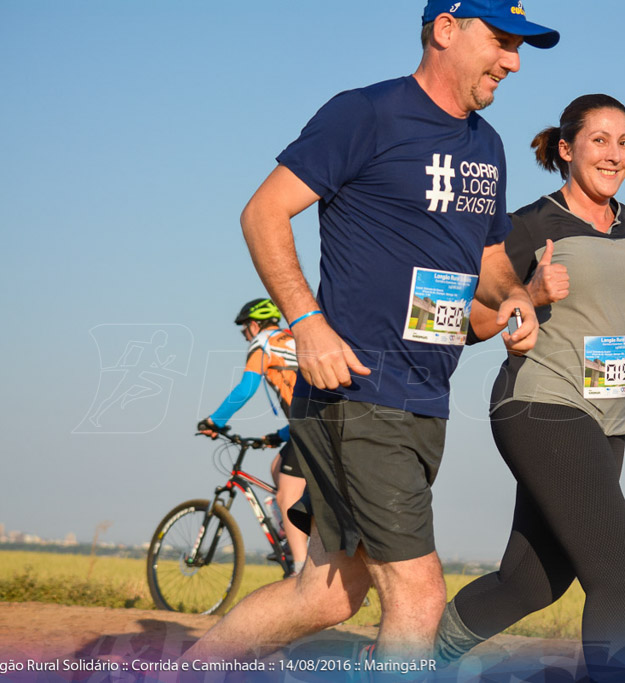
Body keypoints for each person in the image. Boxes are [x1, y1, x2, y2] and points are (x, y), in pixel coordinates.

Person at [183, 0, 559, 664]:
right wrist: (307, 324)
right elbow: (263, 212)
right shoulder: (367, 113)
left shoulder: (487, 146)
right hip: (360, 390)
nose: (513, 61)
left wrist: (515, 300)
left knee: (328, 593)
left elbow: (490, 259)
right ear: (446, 29)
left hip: (424, 397)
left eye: (519, 47)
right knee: (418, 592)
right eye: (501, 41)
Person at [434, 94, 625, 680]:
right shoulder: (528, 226)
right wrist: (527, 294)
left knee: (530, 582)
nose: (615, 154)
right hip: (540, 403)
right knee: (616, 571)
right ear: (566, 148)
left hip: (607, 423)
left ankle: (414, 652)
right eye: (600, 140)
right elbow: (464, 326)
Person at [197, 297, 308, 573]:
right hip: (313, 423)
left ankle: (301, 570)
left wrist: (214, 421)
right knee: (276, 467)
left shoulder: (263, 342)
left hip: (311, 426)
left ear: (255, 325)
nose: (245, 336)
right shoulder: (292, 339)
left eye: (244, 330)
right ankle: (292, 535)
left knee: (287, 496)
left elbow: (246, 389)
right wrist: (277, 436)